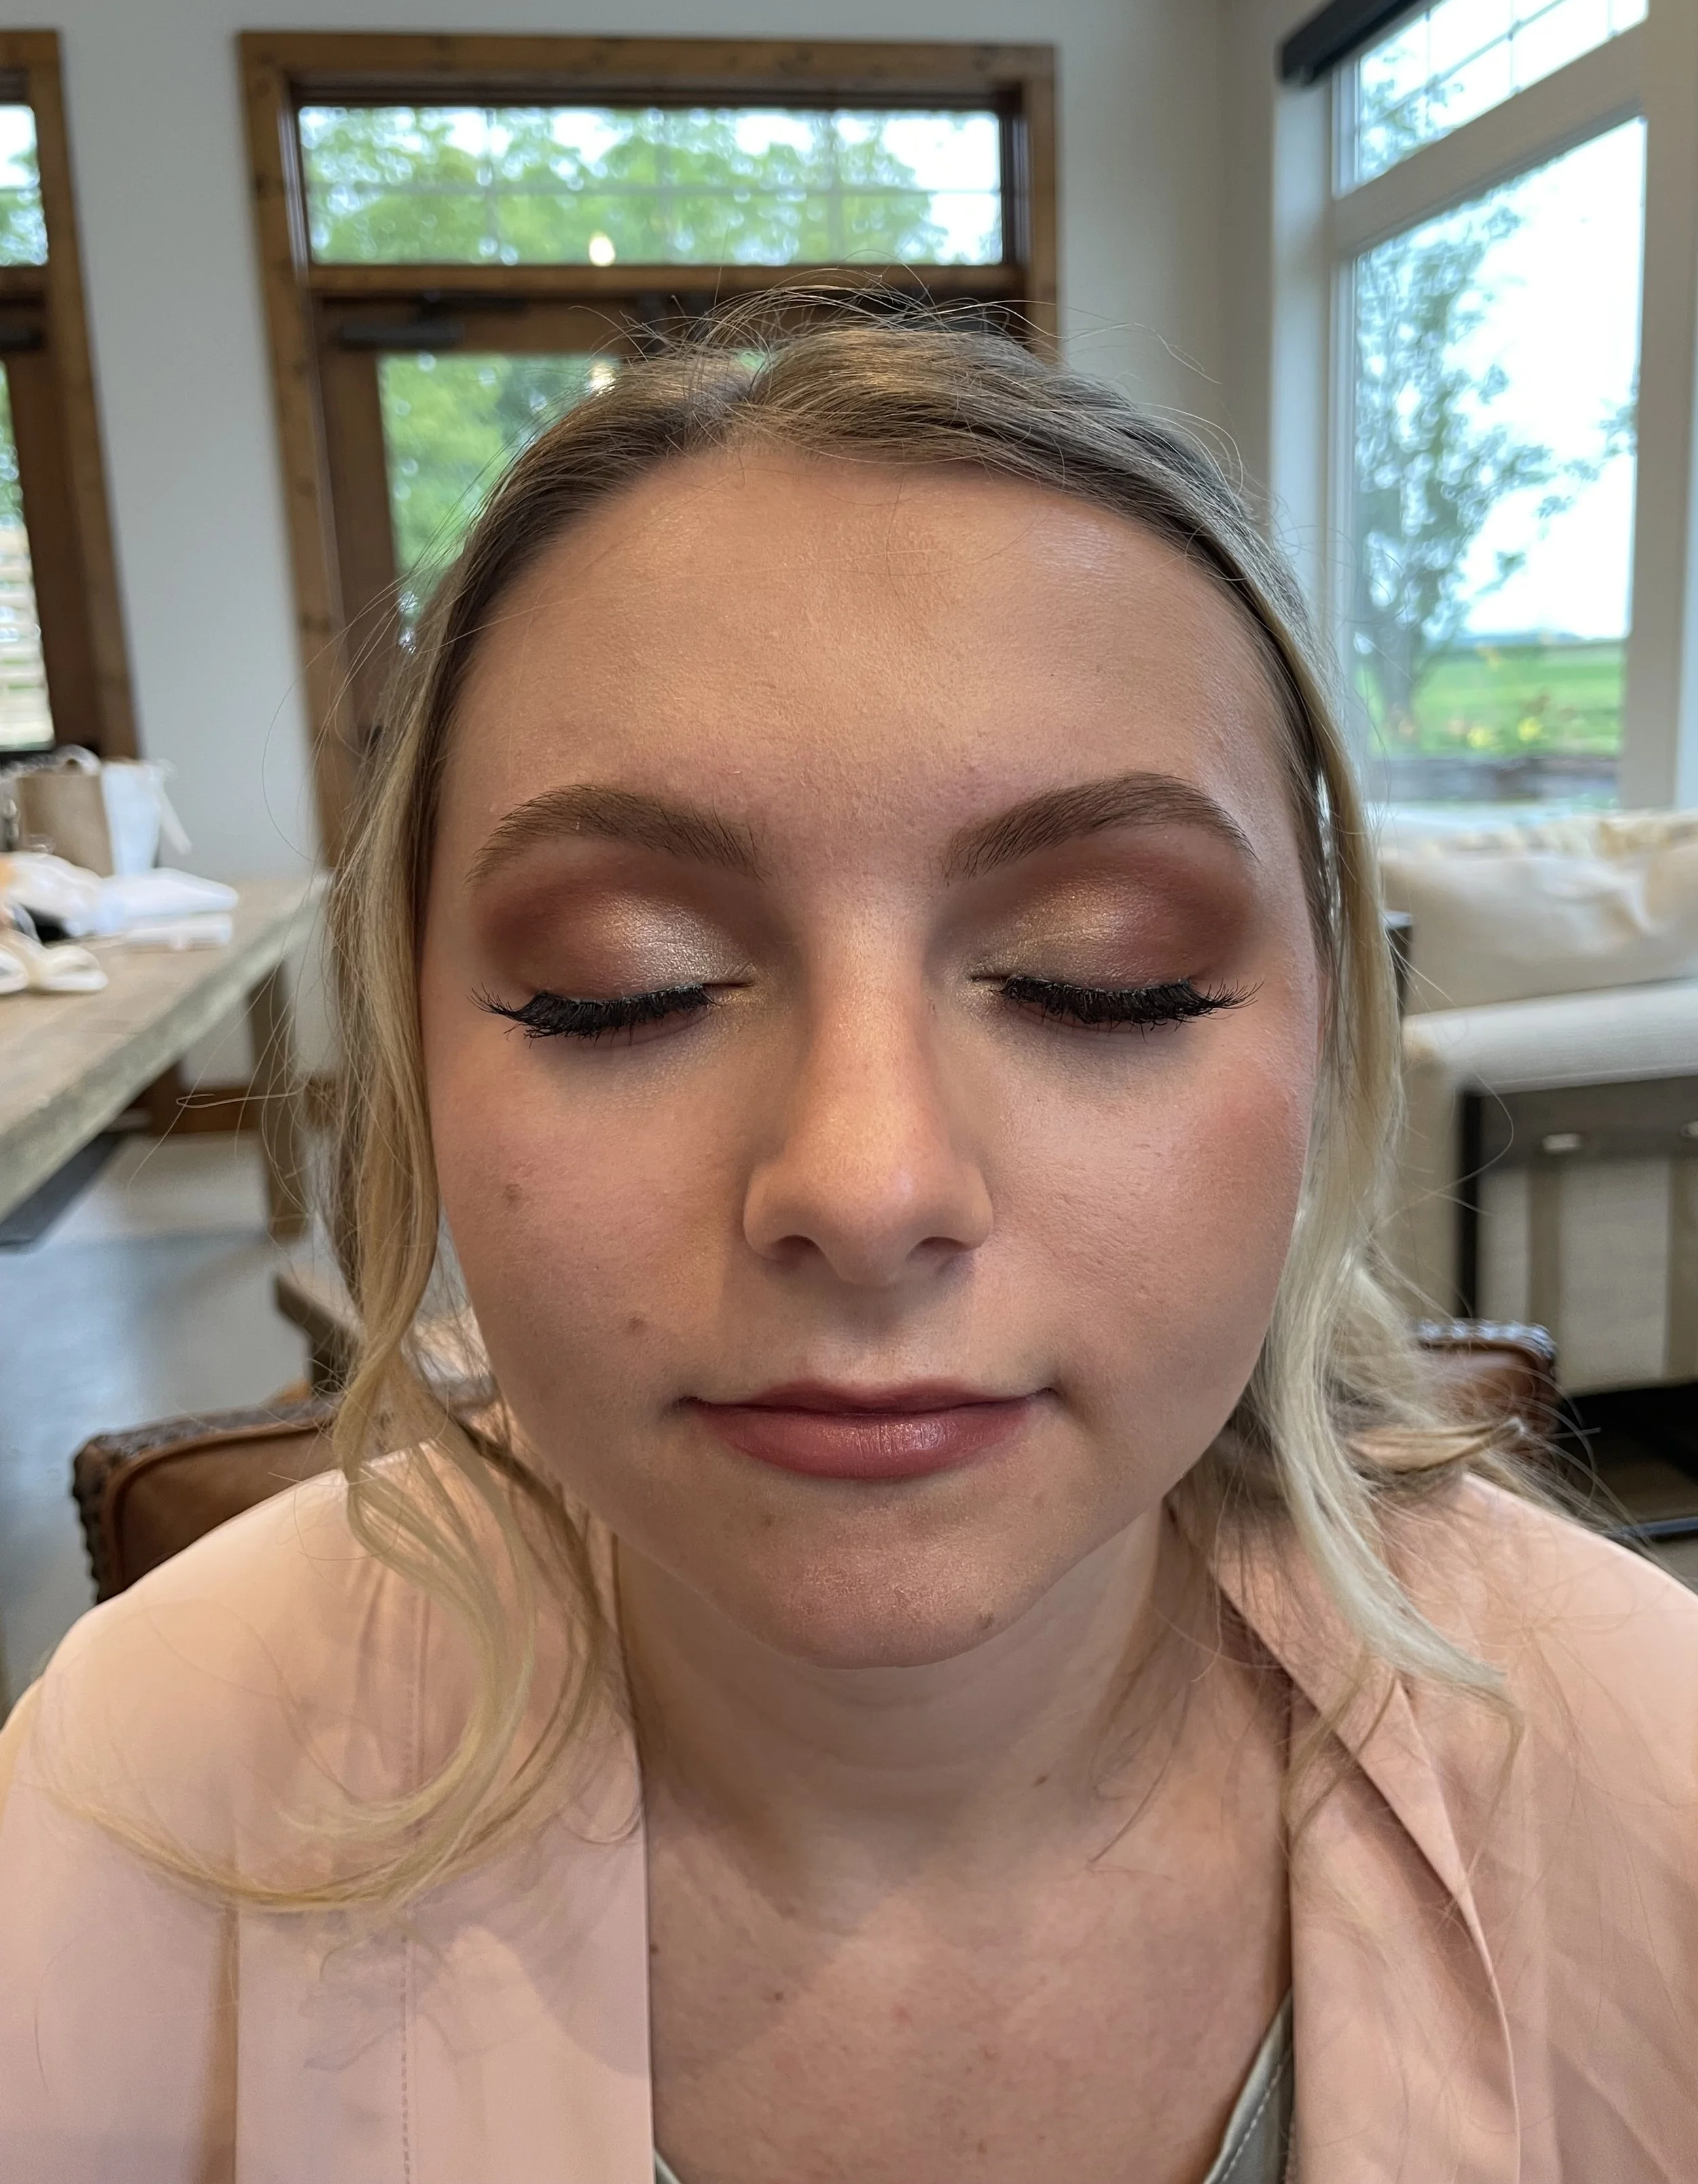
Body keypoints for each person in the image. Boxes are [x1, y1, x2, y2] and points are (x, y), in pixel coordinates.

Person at [1, 313, 1694, 2184]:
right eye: (623, 986)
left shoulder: (1650, 1765)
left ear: (1324, 1037)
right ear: (415, 1052)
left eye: (1100, 974)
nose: (868, 1183)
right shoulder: (138, 1782)